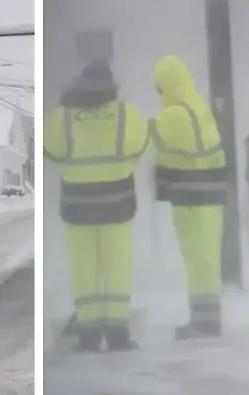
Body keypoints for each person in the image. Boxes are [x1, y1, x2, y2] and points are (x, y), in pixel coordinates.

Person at [44, 60, 149, 352]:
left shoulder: (63, 117)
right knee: (118, 268)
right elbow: (140, 149)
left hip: (78, 206)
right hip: (117, 203)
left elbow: (49, 154)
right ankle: (118, 334)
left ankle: (88, 335)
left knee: (84, 270)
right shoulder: (127, 115)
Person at [148, 55, 228, 340]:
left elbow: (145, 139)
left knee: (199, 263)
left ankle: (204, 324)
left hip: (193, 198)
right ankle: (206, 320)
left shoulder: (175, 115)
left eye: (159, 85)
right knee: (205, 262)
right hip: (209, 195)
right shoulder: (197, 107)